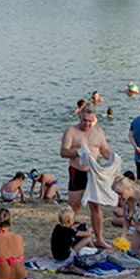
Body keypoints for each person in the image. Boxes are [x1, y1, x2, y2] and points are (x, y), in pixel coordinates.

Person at [60, 106, 114, 249]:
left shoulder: (98, 132)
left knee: (96, 206)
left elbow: (104, 150)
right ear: (80, 118)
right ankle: (66, 237)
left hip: (94, 172)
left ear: (94, 119)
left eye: (90, 121)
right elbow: (63, 152)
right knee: (74, 206)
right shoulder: (71, 131)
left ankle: (100, 238)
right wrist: (79, 152)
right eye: (84, 120)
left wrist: (113, 157)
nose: (87, 124)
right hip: (77, 171)